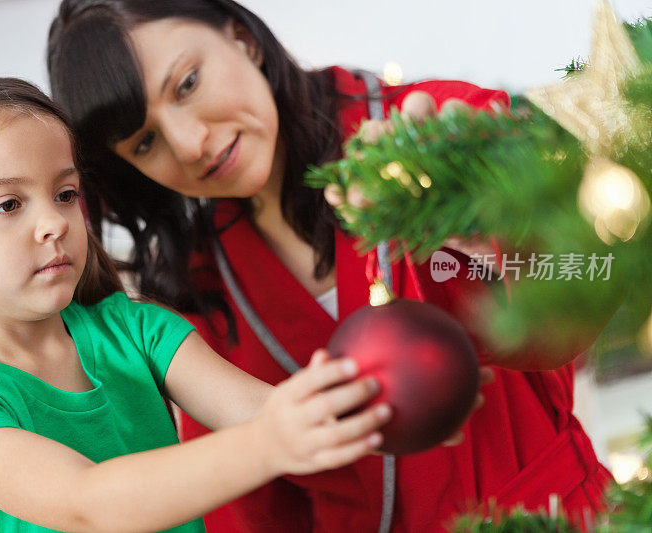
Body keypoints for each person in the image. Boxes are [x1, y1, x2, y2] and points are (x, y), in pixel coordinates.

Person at [46, 1, 613, 531]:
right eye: (145, 143)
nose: (190, 143)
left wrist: (470, 217)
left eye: (188, 84)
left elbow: (588, 289)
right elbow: (251, 509)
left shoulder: (435, 130)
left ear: (242, 39)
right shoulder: (198, 289)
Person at [0, 76, 397, 532]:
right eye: (8, 204)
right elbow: (87, 502)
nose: (54, 223)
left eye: (65, 195)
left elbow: (267, 412)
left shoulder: (136, 330)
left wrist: (384, 409)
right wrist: (271, 443)